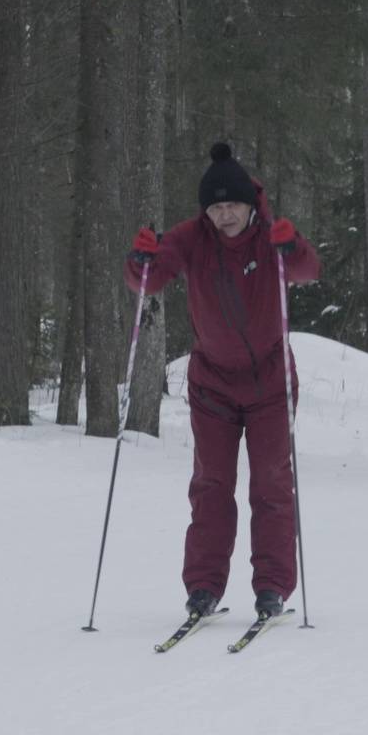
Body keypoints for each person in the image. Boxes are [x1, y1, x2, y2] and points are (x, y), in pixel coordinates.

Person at [125, 142, 320, 621]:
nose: (224, 214)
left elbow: (307, 269)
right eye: (215, 206)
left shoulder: (269, 238)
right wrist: (140, 260)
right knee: (211, 486)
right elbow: (148, 281)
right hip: (212, 385)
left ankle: (272, 586)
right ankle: (203, 588)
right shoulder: (193, 238)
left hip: (271, 383)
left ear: (249, 204)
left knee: (272, 484)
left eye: (232, 204)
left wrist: (291, 247)